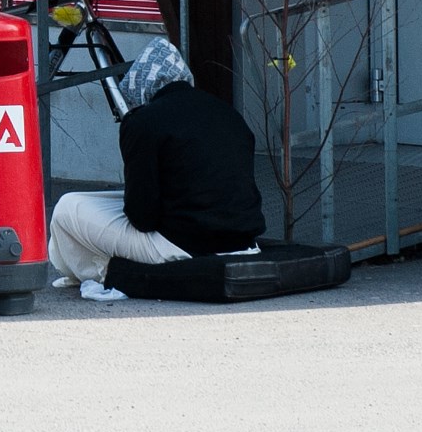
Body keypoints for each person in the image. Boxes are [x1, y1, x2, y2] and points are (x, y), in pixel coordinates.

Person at [50, 39, 265, 302]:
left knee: (66, 207)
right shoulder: (228, 114)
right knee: (98, 200)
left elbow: (142, 218)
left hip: (183, 244)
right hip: (242, 240)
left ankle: (97, 272)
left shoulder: (143, 122)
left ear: (142, 85)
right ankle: (88, 269)